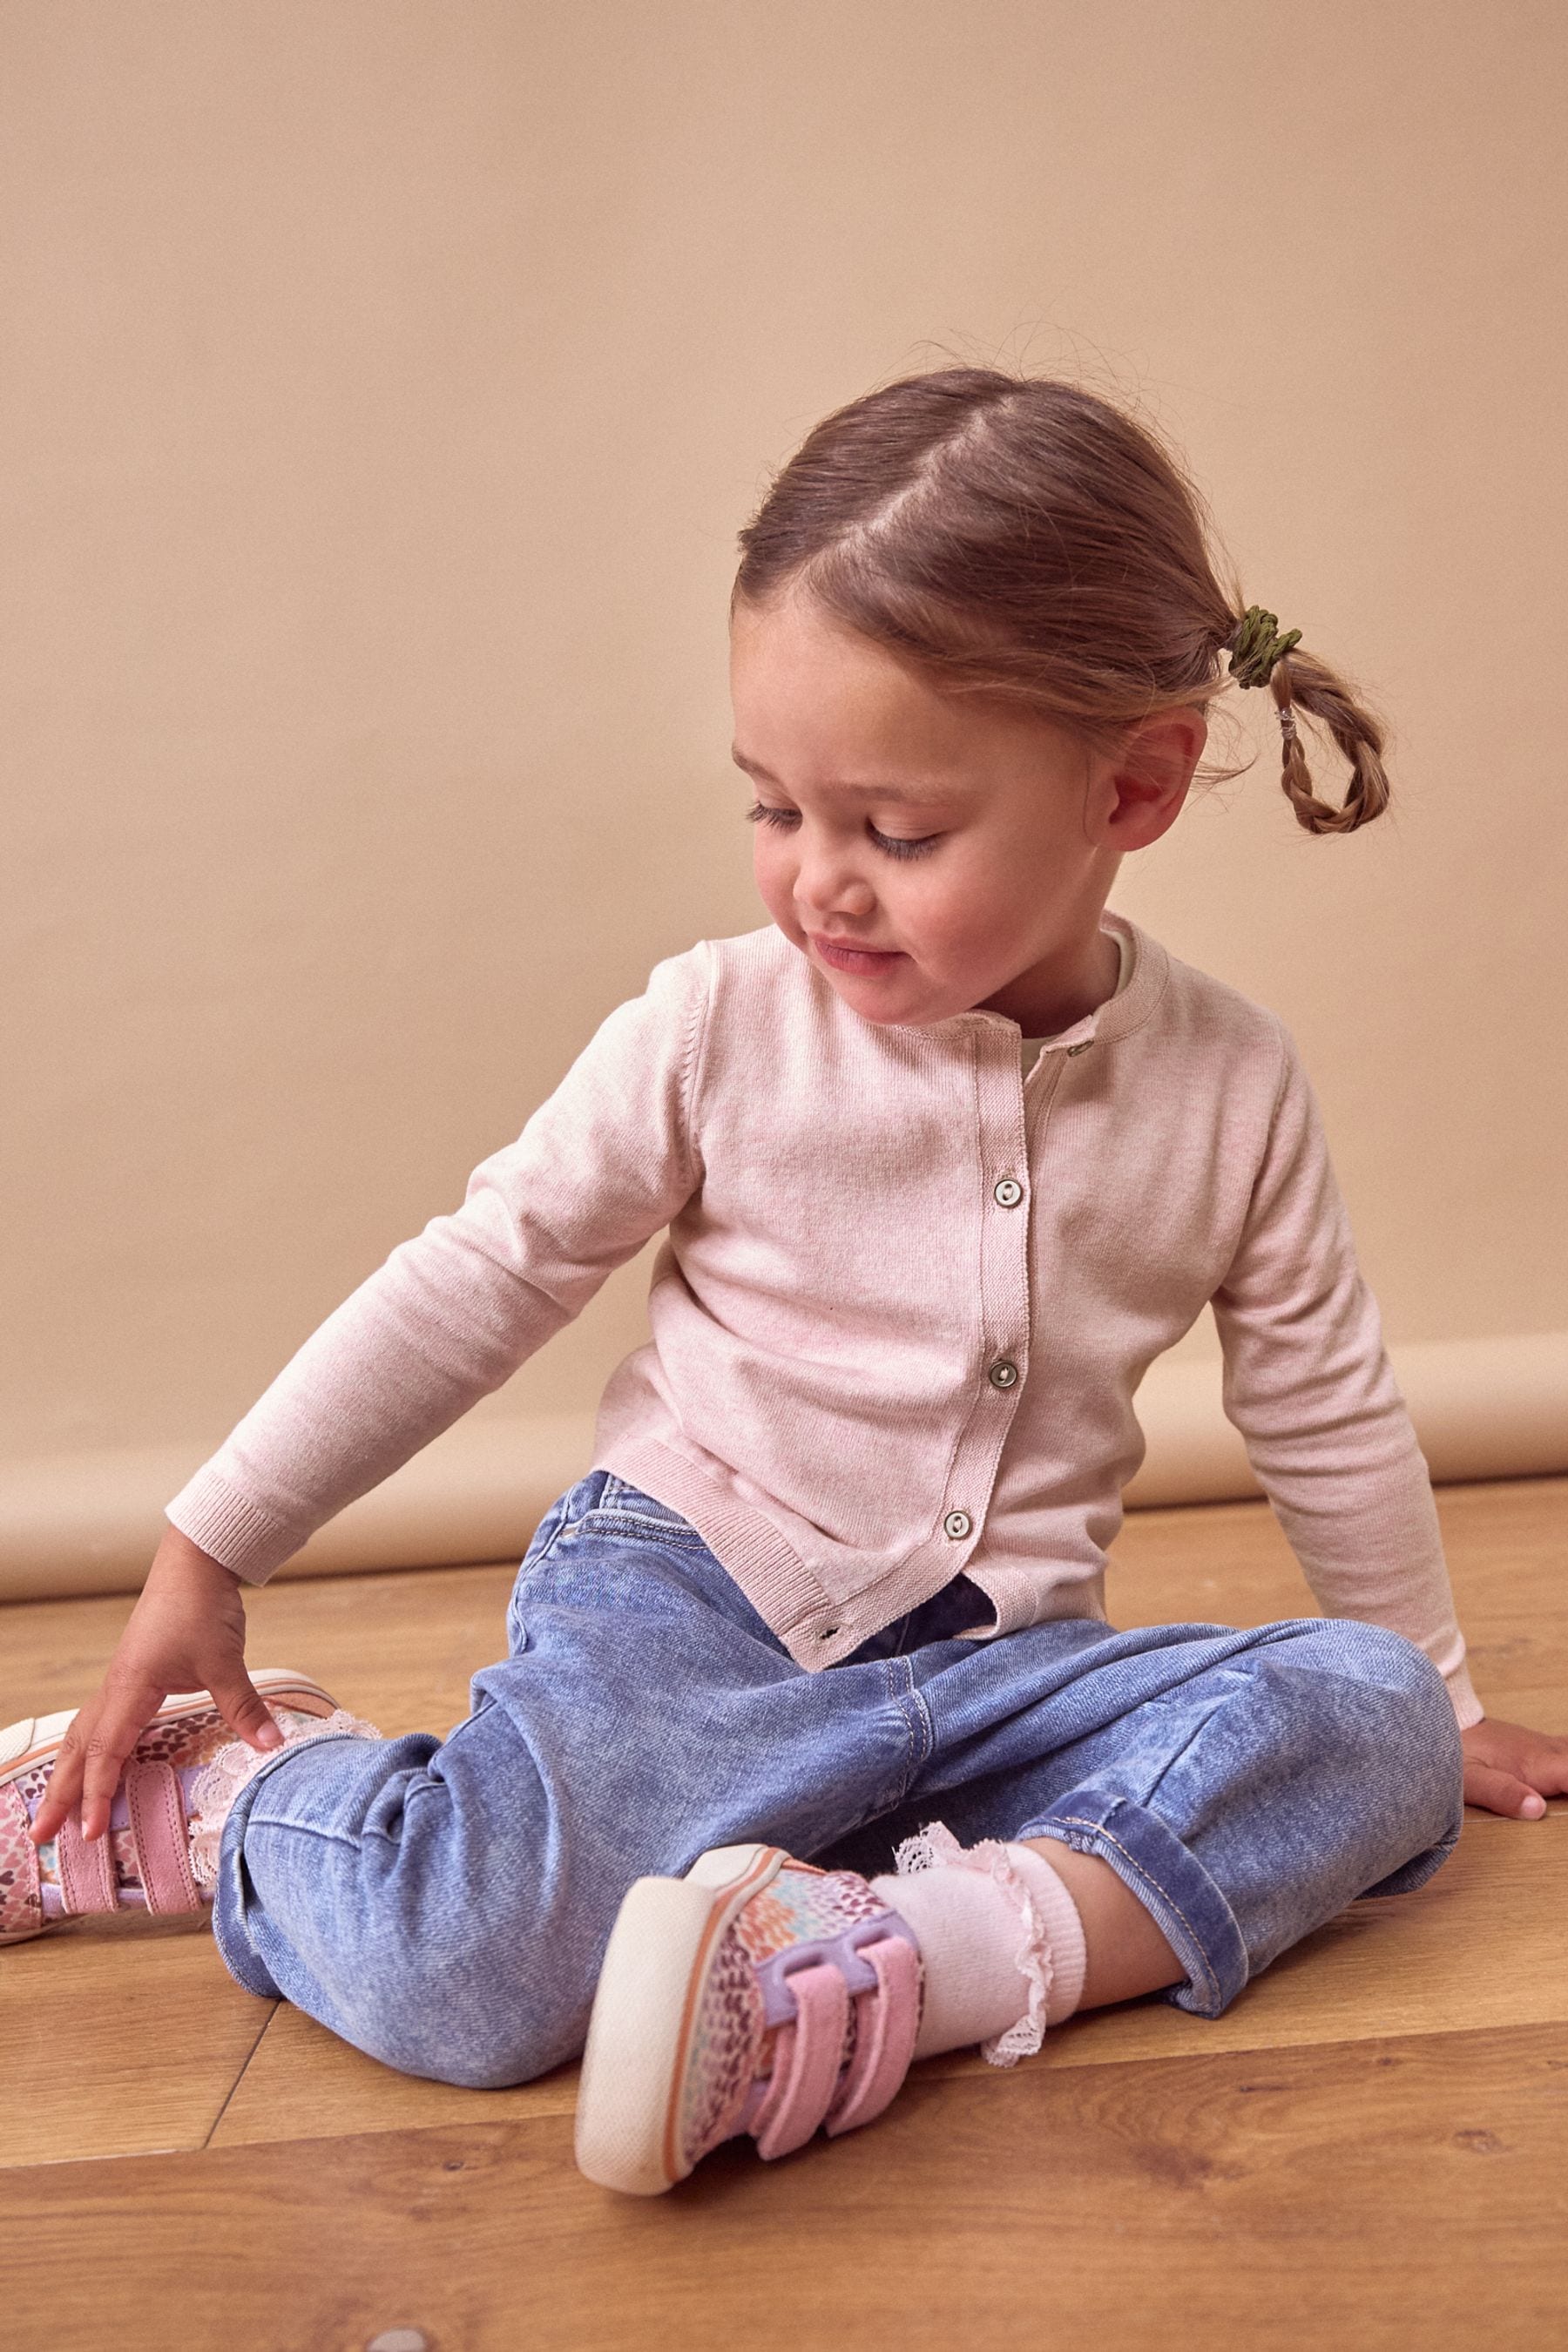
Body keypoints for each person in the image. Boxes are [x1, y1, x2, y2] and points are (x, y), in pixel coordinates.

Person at [8, 368, 1566, 2198]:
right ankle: (254, 1805)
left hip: (999, 1676)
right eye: (775, 809)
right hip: (690, 1614)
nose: (814, 885)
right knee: (473, 1982)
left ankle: (905, 1960)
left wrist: (1445, 1695)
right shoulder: (717, 1030)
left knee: (1364, 1726)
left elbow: (1322, 1400)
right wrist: (209, 1557)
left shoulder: (1232, 1083)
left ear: (1130, 784)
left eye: (893, 832)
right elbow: (478, 1278)